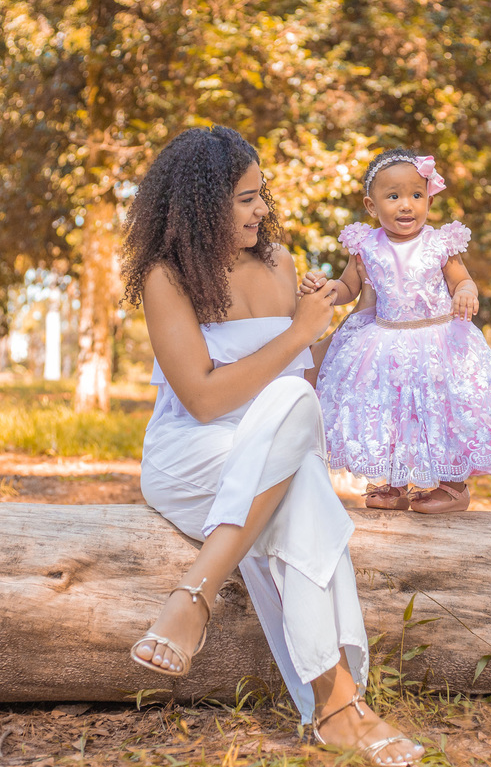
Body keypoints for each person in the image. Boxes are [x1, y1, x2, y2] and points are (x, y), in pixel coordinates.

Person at [120, 125, 425, 767]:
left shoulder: (281, 264)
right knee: (301, 468)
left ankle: (194, 597)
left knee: (295, 412)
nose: (262, 210)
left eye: (262, 195)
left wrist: (334, 327)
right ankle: (341, 706)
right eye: (244, 199)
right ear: (200, 205)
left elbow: (300, 387)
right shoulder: (166, 278)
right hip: (193, 456)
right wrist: (298, 336)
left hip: (274, 457)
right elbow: (203, 399)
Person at [302, 149, 491, 514]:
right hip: (385, 341)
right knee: (389, 412)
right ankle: (392, 484)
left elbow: (462, 280)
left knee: (443, 409)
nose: (406, 205)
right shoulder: (365, 245)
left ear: (429, 198)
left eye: (416, 195)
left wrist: (466, 293)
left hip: (437, 340)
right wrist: (328, 290)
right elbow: (350, 288)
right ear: (371, 204)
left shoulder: (440, 243)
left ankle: (453, 485)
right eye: (393, 197)